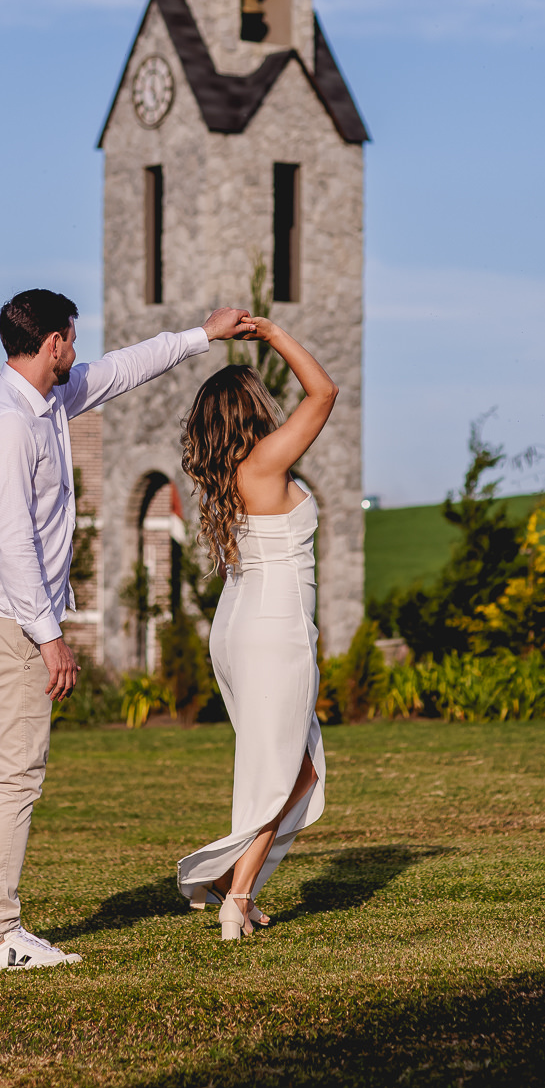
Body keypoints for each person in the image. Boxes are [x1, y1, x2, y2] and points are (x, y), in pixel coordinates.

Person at [0, 288, 250, 972]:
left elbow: (121, 368)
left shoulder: (45, 399)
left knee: (0, 775)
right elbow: (14, 542)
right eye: (71, 341)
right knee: (15, 776)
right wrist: (50, 635)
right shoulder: (5, 427)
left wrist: (201, 336)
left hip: (1, 613)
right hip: (4, 619)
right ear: (52, 342)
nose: (77, 352)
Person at [176, 319, 338, 942]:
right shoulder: (266, 460)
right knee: (279, 770)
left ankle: (228, 884)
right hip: (274, 629)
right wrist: (274, 335)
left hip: (237, 625)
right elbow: (322, 393)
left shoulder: (223, 474)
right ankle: (235, 899)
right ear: (251, 411)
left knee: (296, 770)